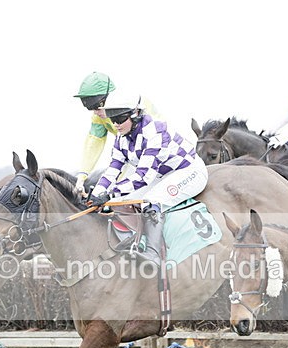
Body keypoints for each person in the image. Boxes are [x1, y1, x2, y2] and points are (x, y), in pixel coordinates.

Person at [87, 90, 208, 266]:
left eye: (120, 119)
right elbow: (113, 169)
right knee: (122, 200)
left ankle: (153, 253)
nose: (116, 125)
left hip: (189, 171)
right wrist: (97, 194)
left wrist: (110, 194)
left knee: (151, 201)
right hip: (162, 174)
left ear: (135, 114)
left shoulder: (155, 132)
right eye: (112, 120)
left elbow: (142, 177)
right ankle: (134, 242)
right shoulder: (121, 138)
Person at [72, 72, 161, 195]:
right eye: (91, 108)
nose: (96, 112)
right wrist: (82, 175)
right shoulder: (98, 117)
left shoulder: (137, 105)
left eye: (97, 107)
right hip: (130, 157)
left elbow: (156, 140)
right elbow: (94, 143)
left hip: (155, 157)